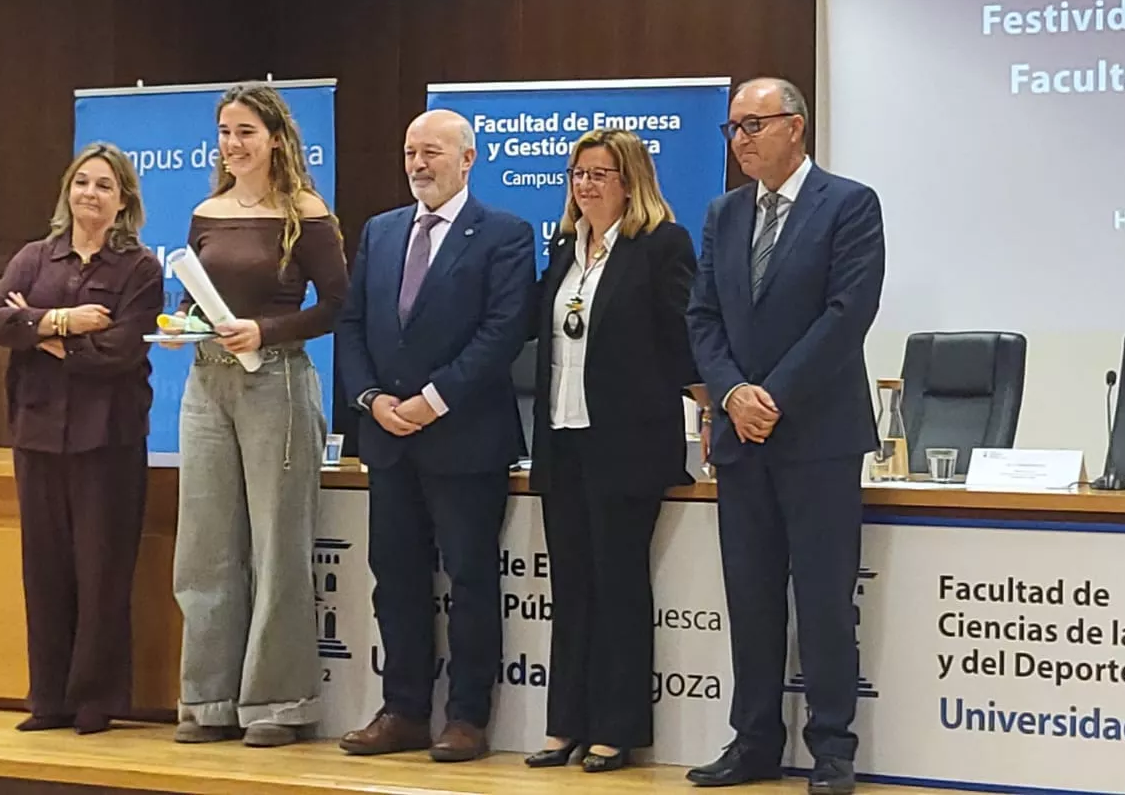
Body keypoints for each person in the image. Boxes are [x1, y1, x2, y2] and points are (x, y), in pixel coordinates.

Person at [684, 78, 885, 795]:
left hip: (819, 437)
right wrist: (734, 393)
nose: (740, 139)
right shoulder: (722, 214)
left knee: (825, 600)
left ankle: (832, 749)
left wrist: (775, 394)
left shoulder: (850, 204)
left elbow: (846, 311)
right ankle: (754, 742)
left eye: (754, 125)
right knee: (752, 597)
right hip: (742, 437)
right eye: (733, 128)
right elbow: (702, 316)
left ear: (795, 128)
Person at [333, 108, 535, 763]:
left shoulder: (504, 233)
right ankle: (404, 710)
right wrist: (372, 401)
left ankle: (468, 717)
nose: (418, 164)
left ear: (468, 159)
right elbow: (353, 323)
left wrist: (432, 401)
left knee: (471, 579)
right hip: (389, 437)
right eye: (410, 152)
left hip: (465, 437)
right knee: (395, 577)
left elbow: (503, 331)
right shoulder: (382, 231)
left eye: (432, 152)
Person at [170, 83, 349, 748]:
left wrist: (266, 332)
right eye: (223, 132)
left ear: (274, 137)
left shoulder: (304, 210)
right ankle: (209, 699)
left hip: (276, 381)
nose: (232, 144)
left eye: (245, 131)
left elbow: (337, 304)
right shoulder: (206, 211)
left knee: (277, 545)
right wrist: (180, 326)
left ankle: (279, 701)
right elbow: (195, 298)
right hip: (206, 383)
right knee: (206, 546)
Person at [522, 129, 699, 773]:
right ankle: (564, 721)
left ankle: (616, 728)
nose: (586, 184)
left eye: (600, 174)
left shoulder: (660, 247)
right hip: (563, 440)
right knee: (570, 586)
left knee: (618, 584)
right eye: (577, 173)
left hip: (627, 444)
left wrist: (708, 404)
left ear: (631, 181)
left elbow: (683, 339)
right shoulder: (565, 248)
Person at [0, 142, 164, 735]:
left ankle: (94, 700)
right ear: (68, 191)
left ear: (123, 202)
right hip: (38, 434)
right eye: (82, 182)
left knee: (102, 570)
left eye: (104, 186)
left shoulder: (139, 268)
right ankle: (49, 699)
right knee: (46, 569)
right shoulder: (36, 258)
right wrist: (61, 321)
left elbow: (120, 349)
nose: (91, 193)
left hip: (107, 441)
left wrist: (37, 328)